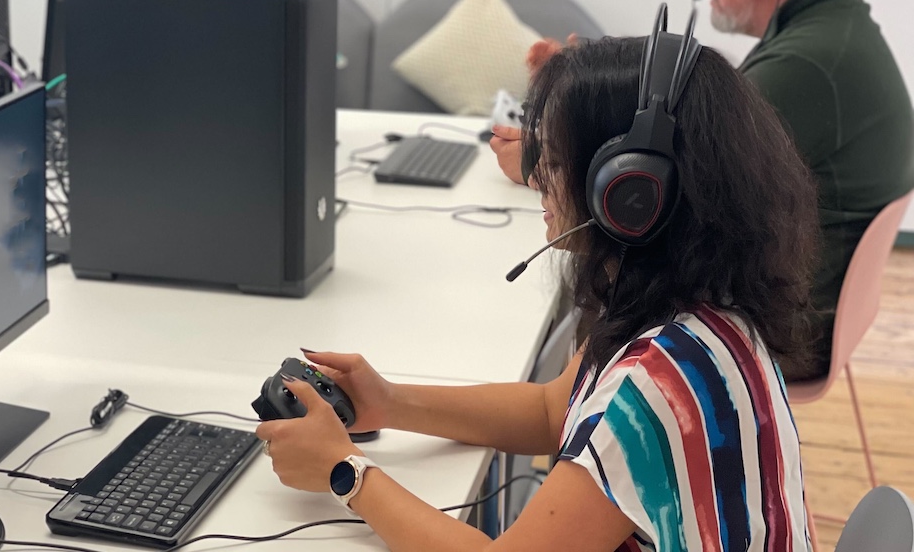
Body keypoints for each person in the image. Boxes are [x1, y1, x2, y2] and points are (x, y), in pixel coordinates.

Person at [259, 35, 817, 551]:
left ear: (629, 194)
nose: (534, 180)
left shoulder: (656, 384)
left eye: (552, 161)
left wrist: (344, 471)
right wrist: (389, 402)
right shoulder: (696, 303)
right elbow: (555, 409)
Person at [492, 0, 914, 379]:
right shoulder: (830, 30)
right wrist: (578, 98)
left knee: (612, 261)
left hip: (776, 323)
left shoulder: (808, 63)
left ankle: (573, 417)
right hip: (798, 291)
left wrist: (549, 155)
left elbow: (658, 181)